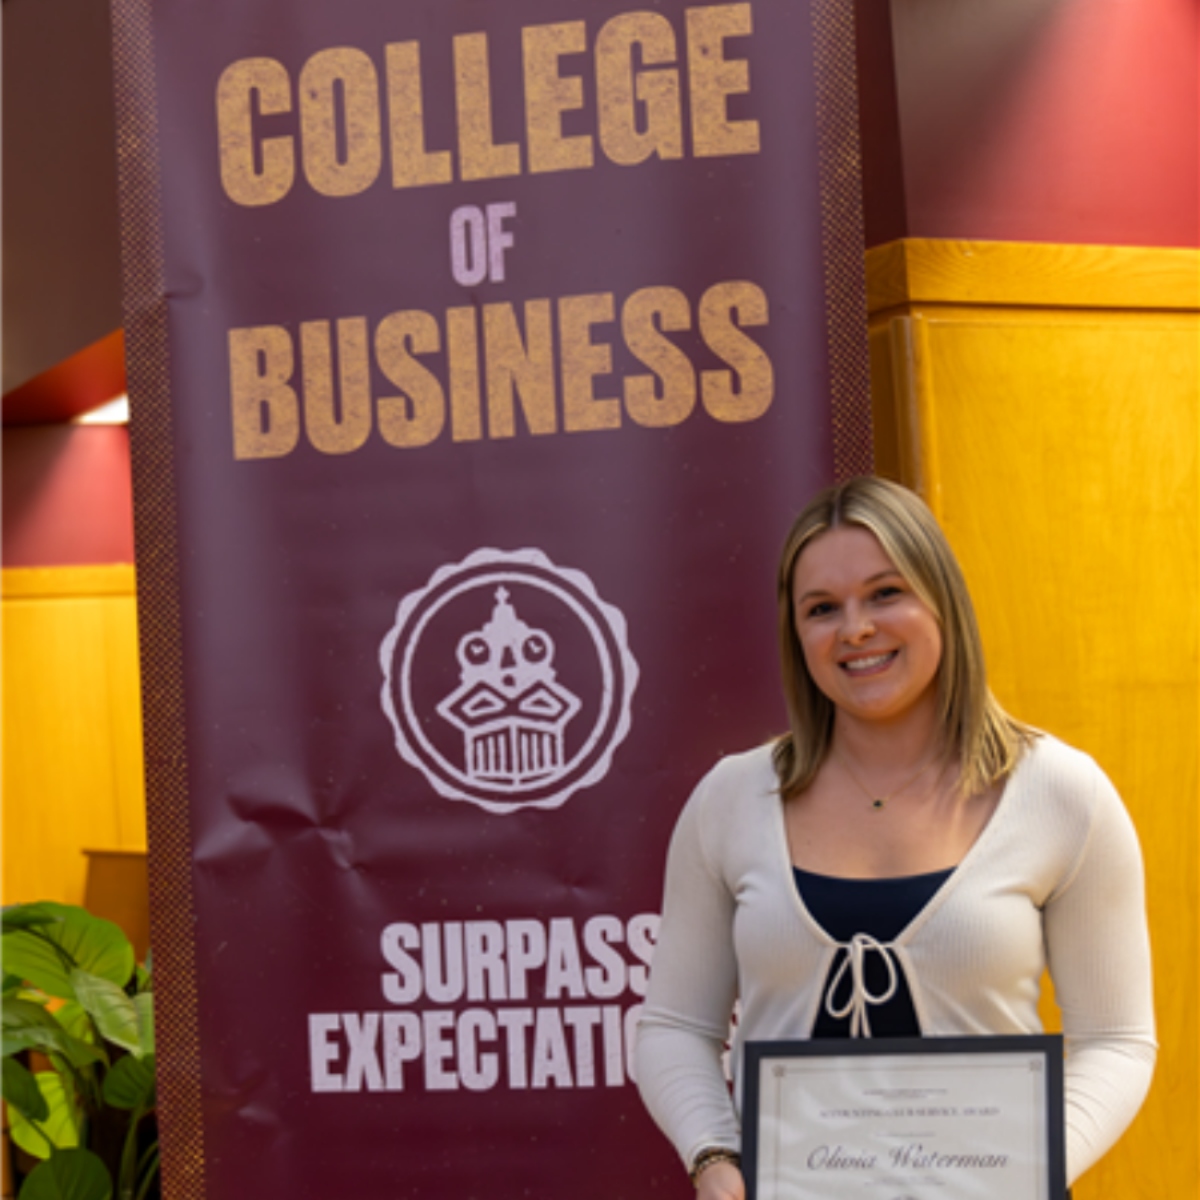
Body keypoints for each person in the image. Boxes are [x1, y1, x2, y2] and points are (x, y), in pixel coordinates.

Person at [636, 475, 1155, 1199]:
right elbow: (673, 1027)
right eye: (822, 609)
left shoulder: (1064, 794)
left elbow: (1118, 1042)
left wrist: (1026, 1170)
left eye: (886, 593)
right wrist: (713, 1157)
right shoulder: (731, 799)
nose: (855, 629)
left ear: (941, 600)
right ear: (797, 633)